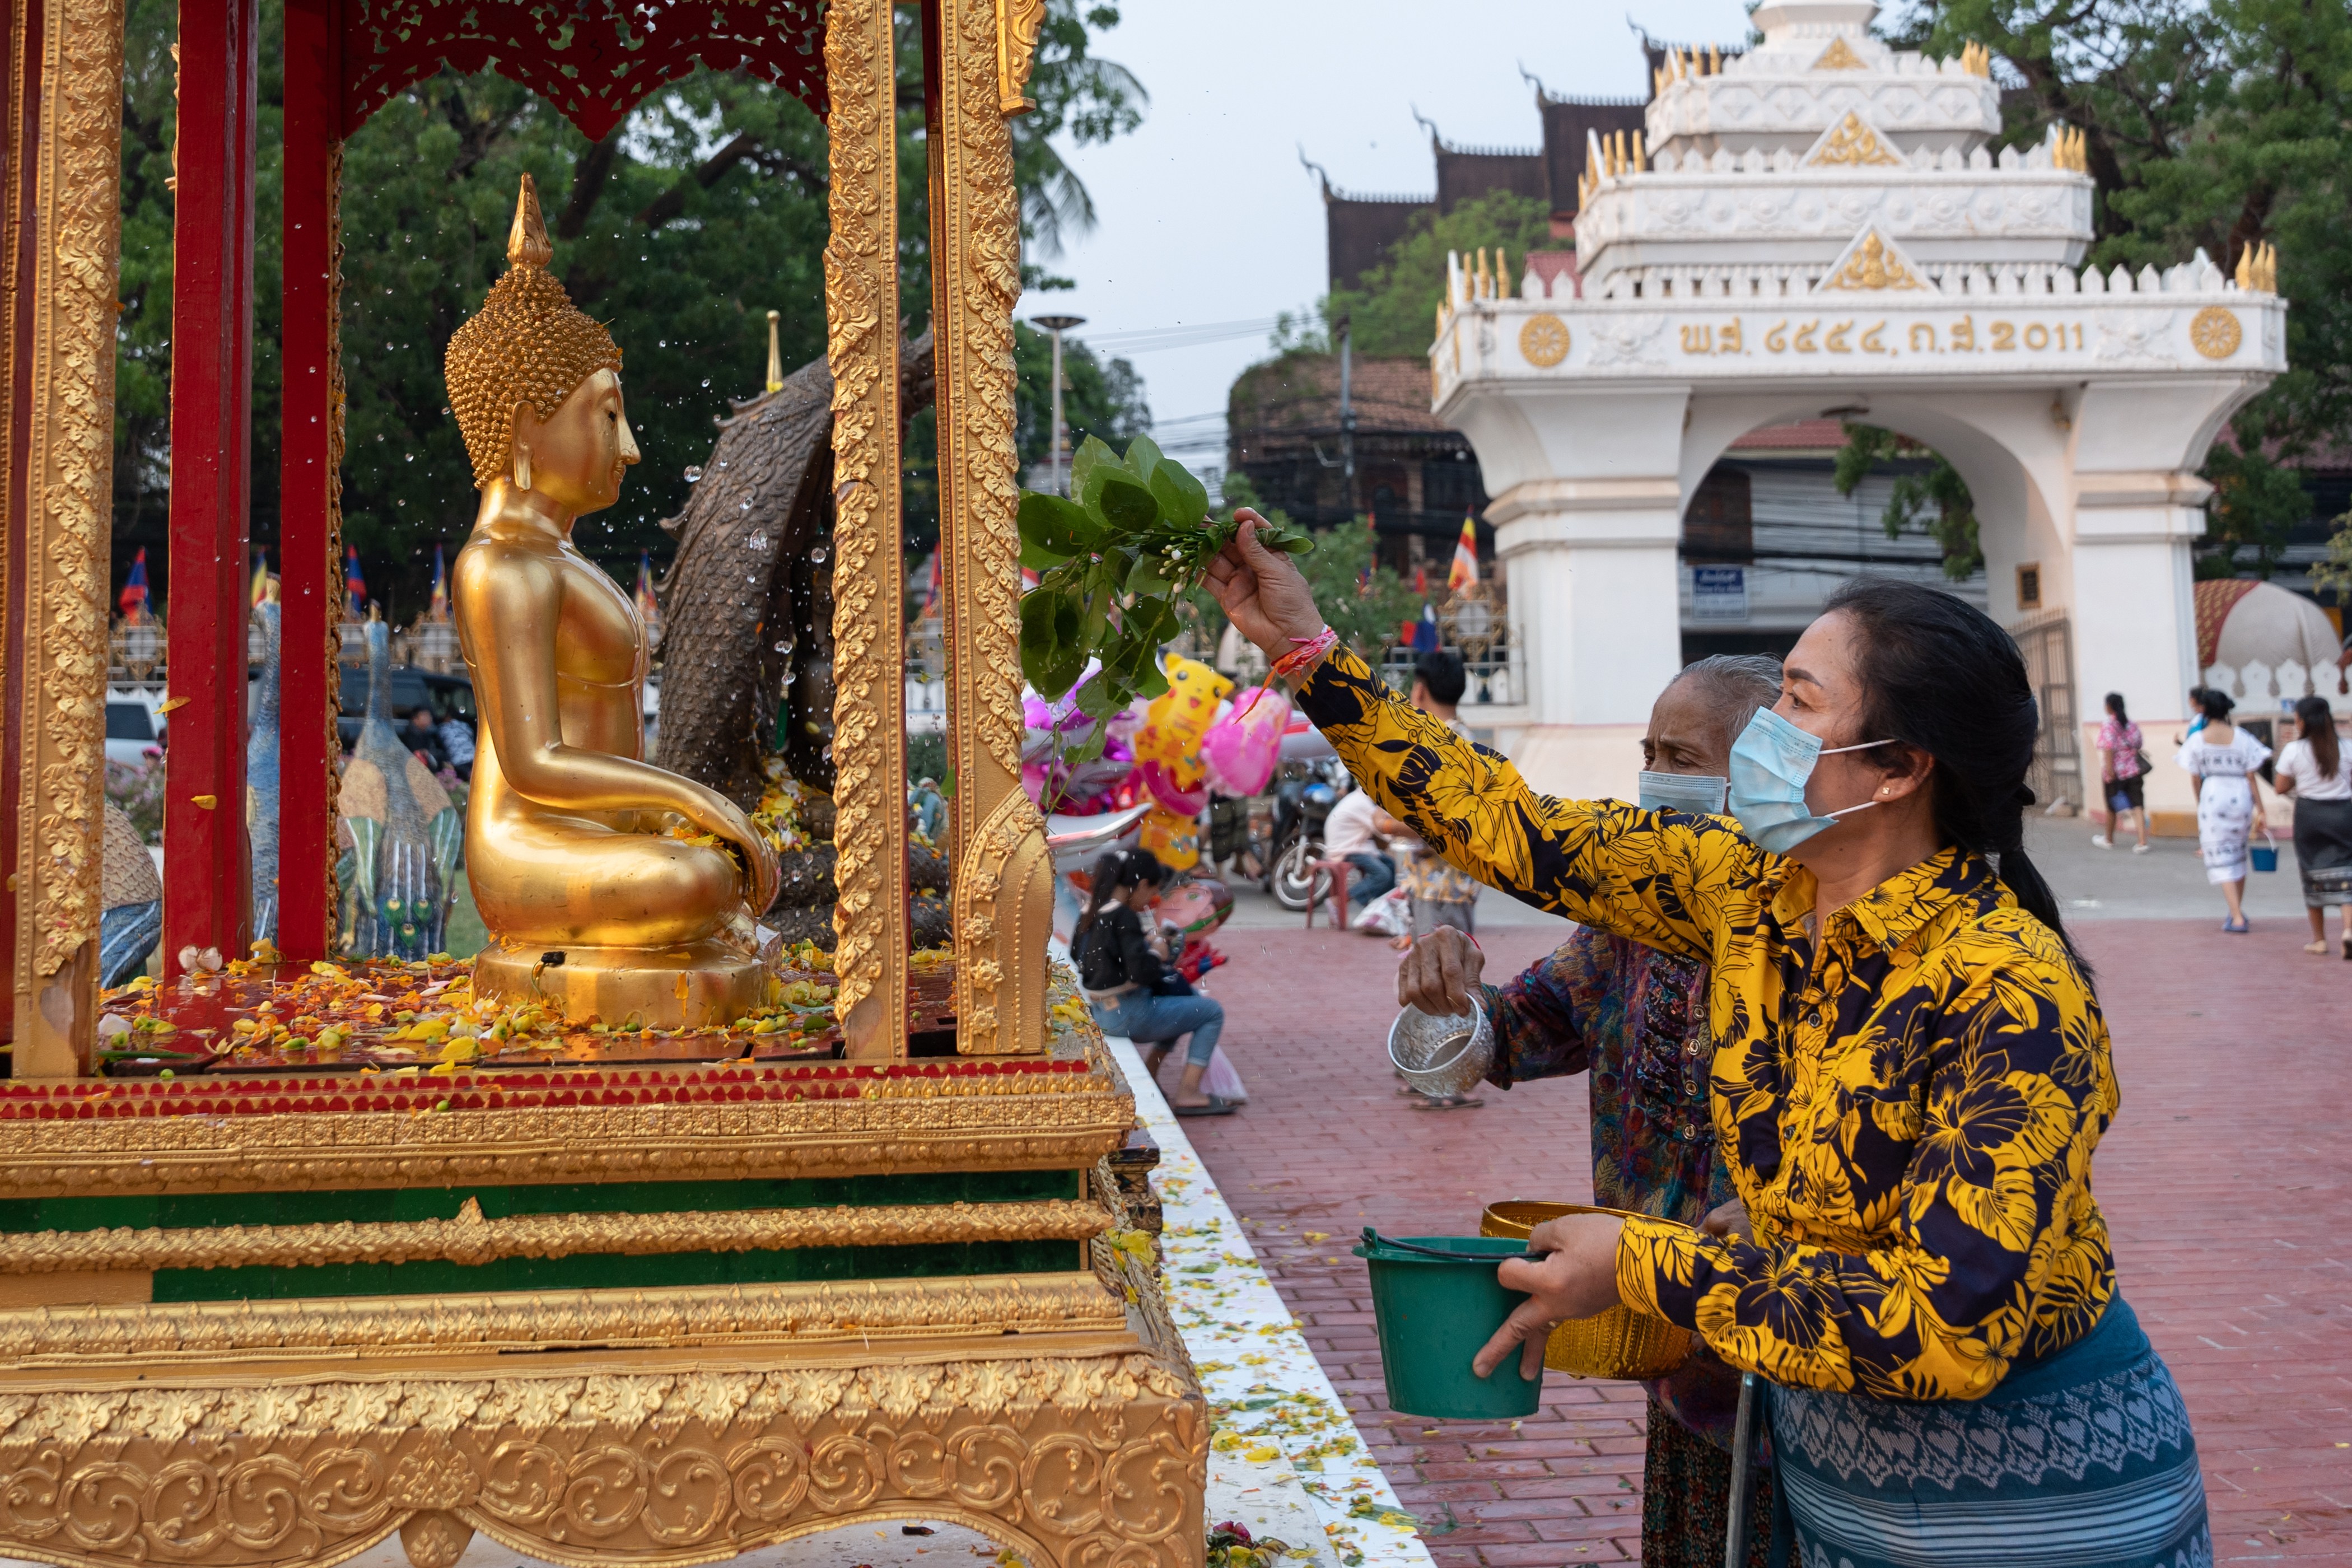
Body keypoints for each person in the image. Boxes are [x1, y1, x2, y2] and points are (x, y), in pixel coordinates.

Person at [1208, 515, 2209, 1568]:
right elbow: (1510, 825)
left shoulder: (2007, 985)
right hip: (1845, 1488)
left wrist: (1649, 1264)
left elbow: (1944, 1325)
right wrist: (1309, 652)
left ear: (1900, 768)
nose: (1766, 727)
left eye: (1798, 700)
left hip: (2038, 1499)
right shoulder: (1745, 894)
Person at [1395, 653, 1782, 1561]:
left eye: (1680, 757)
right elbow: (1515, 1034)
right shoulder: (1628, 929)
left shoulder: (1815, 926)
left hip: (1805, 1363)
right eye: (1648, 751)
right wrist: (1447, 1006)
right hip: (1672, 1354)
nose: (1653, 777)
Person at [1073, 848, 1234, 1116]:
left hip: (1101, 1011)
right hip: (1129, 1014)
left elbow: (1083, 955)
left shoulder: (1092, 908)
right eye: (1152, 891)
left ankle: (1152, 1074)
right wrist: (1156, 951)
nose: (1151, 901)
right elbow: (1142, 973)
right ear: (1141, 884)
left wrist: (1137, 946)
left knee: (1178, 1006)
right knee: (1211, 1012)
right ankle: (1189, 1093)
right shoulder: (1123, 916)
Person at [1397, 649, 1483, 937]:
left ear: (1420, 690)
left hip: (1439, 888)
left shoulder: (1437, 747)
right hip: (1455, 885)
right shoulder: (1467, 741)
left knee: (1441, 976)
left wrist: (1384, 823)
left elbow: (1434, 821)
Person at [2176, 688, 2270, 933]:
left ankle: (2237, 916)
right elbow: (2252, 777)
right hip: (2240, 797)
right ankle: (2235, 910)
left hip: (2214, 795)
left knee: (2220, 856)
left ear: (2204, 710)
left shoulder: (2198, 740)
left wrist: (2200, 803)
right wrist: (2262, 809)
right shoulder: (2242, 737)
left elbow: (2195, 778)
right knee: (2238, 854)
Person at [2273, 694, 2352, 957]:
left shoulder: (2294, 751)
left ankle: (2319, 940)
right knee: (2347, 871)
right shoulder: (2347, 748)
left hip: (2310, 815)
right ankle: (2349, 931)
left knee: (2311, 871)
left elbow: (2281, 787)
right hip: (2343, 812)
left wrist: (2304, 780)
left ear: (2304, 721)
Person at [2092, 692, 2151, 853]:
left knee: (2112, 806)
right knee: (2138, 805)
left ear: (2109, 707)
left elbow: (2108, 749)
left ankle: (2109, 839)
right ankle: (2142, 842)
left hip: (2116, 772)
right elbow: (2138, 744)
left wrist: (2110, 772)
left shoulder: (2109, 726)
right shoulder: (2132, 725)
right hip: (2133, 771)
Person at [1320, 784, 1394, 906]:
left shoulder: (1358, 799)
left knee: (1390, 863)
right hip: (1346, 849)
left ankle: (1383, 906)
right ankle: (1342, 900)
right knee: (1383, 875)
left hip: (1352, 846)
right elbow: (1381, 829)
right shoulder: (1362, 803)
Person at [405, 707, 450, 771]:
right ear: (415, 719)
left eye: (429, 716)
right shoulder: (410, 735)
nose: (429, 718)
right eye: (424, 716)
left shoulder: (431, 733)